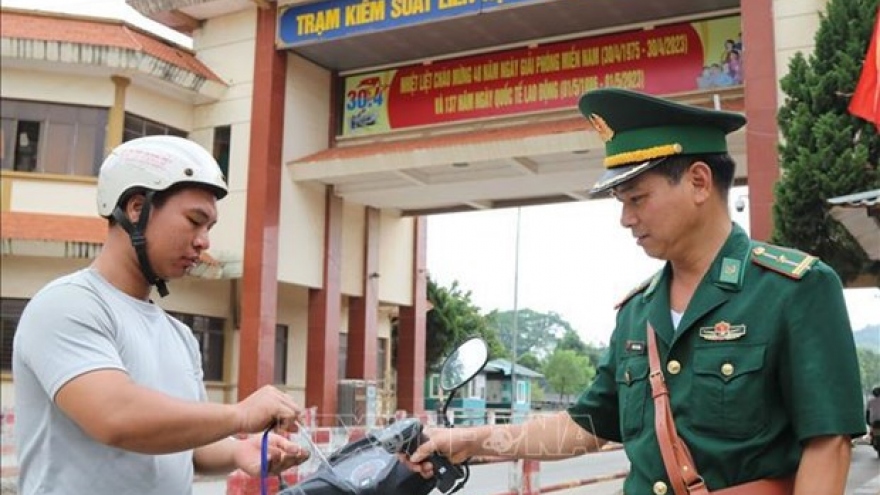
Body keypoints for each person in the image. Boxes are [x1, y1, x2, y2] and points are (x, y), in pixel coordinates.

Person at [406, 88, 866, 494]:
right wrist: (474, 441)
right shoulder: (637, 311)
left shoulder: (793, 290)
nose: (626, 219)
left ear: (699, 182)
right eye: (621, 203)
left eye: (637, 199)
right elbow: (586, 426)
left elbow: (828, 444)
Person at [12, 135, 309, 495]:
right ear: (137, 208)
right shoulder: (67, 305)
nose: (204, 242)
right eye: (194, 221)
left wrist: (238, 449)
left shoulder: (179, 336)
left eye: (209, 228)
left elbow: (190, 445)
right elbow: (116, 417)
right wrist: (239, 414)